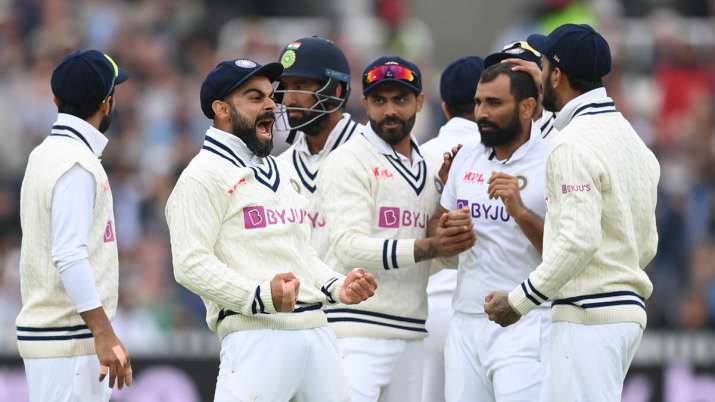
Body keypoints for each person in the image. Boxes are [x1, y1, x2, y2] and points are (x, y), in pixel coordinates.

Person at [165, 58, 378, 402]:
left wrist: (338, 286)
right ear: (220, 109)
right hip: (256, 337)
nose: (271, 106)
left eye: (270, 96)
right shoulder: (201, 176)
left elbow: (300, 252)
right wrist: (260, 294)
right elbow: (190, 264)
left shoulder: (276, 170)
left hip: (318, 334)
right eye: (254, 97)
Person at [484, 24, 660, 402]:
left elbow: (578, 240)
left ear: (557, 74)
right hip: (623, 312)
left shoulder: (570, 145)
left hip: (589, 315)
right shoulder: (633, 141)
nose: (540, 75)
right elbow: (646, 244)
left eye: (543, 65)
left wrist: (518, 302)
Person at [316, 56, 476, 402]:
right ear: (366, 103)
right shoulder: (348, 160)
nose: (389, 110)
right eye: (379, 100)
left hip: (412, 332)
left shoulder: (432, 167)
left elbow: (440, 260)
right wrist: (428, 247)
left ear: (420, 101)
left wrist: (450, 232)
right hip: (354, 331)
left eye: (400, 99)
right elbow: (348, 247)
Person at [17, 49, 132, 402]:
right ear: (107, 103)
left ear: (55, 99)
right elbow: (68, 254)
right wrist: (103, 332)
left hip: (59, 340)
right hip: (69, 341)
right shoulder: (77, 162)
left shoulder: (45, 153)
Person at [436, 60, 550, 401]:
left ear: (527, 107)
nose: (481, 113)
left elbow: (564, 251)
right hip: (465, 322)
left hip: (526, 321)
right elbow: (440, 242)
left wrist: (519, 210)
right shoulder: (465, 158)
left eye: (494, 103)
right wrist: (447, 232)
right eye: (478, 102)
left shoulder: (553, 160)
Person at [419, 55, 484, 402]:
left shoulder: (418, 156)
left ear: (444, 107)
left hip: (427, 310)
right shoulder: (500, 156)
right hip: (486, 308)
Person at [276, 36, 364, 258]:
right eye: (285, 88)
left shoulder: (371, 151)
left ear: (336, 90)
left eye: (300, 86)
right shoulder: (280, 167)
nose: (288, 100)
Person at [487, 40, 558, 142]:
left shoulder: (561, 133)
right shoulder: (483, 140)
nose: (506, 83)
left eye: (519, 73)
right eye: (499, 72)